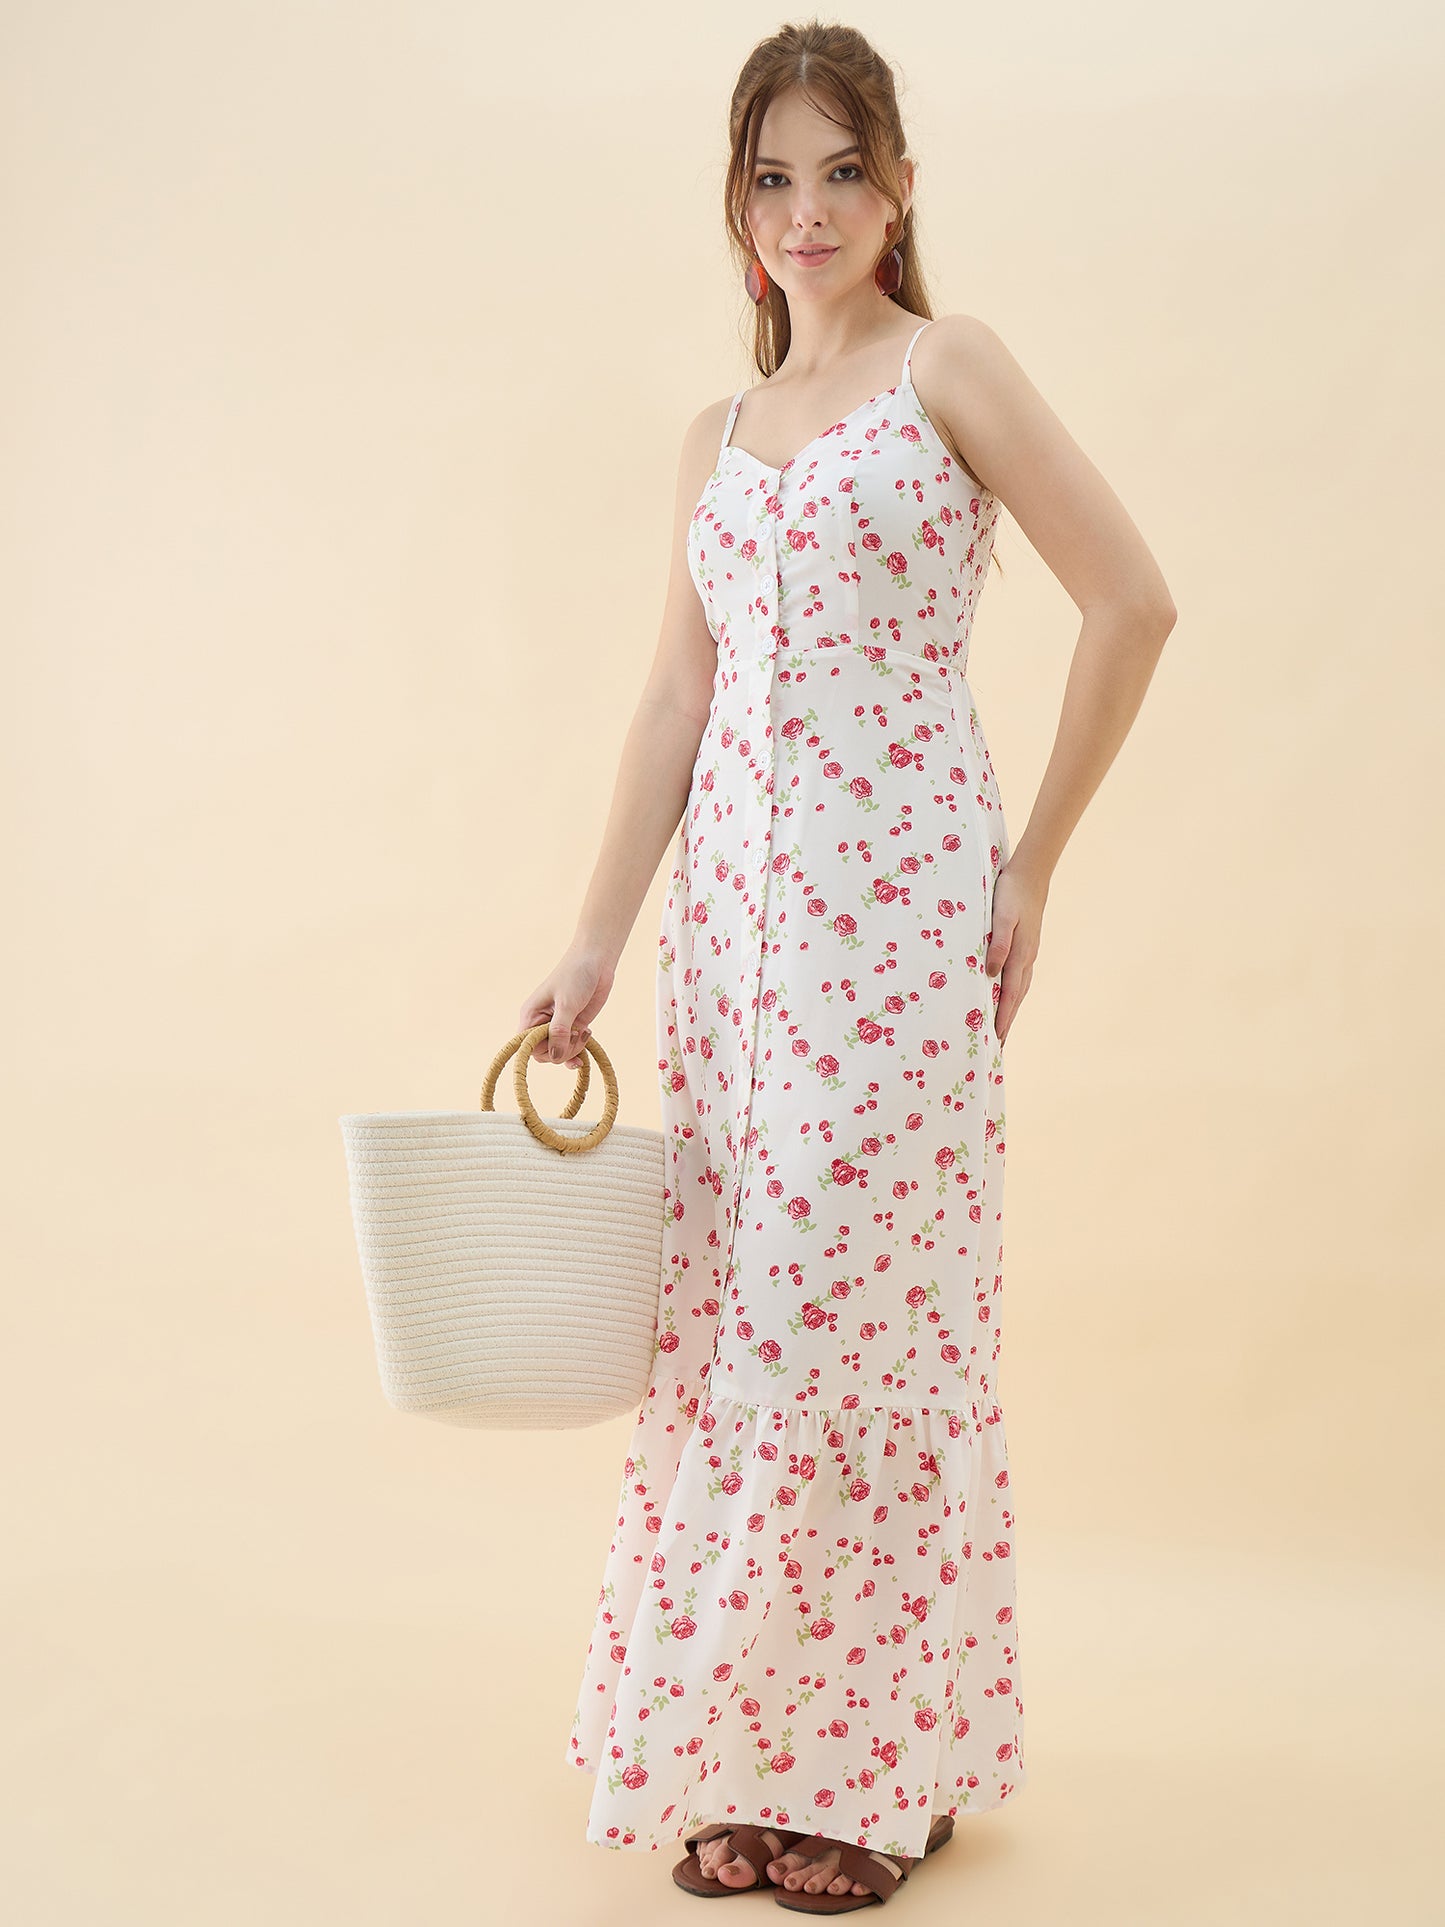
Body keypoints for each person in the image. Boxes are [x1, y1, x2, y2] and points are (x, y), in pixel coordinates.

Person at [520, 19, 1175, 1911]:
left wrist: (1029, 866)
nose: (806, 213)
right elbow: (672, 697)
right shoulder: (710, 440)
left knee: (860, 1329)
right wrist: (589, 937)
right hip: (728, 956)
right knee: (733, 1346)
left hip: (890, 941)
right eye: (770, 177)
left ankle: (885, 1778)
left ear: (898, 188)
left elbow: (1130, 599)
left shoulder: (944, 369)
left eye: (841, 172)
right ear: (737, 206)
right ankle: (765, 1753)